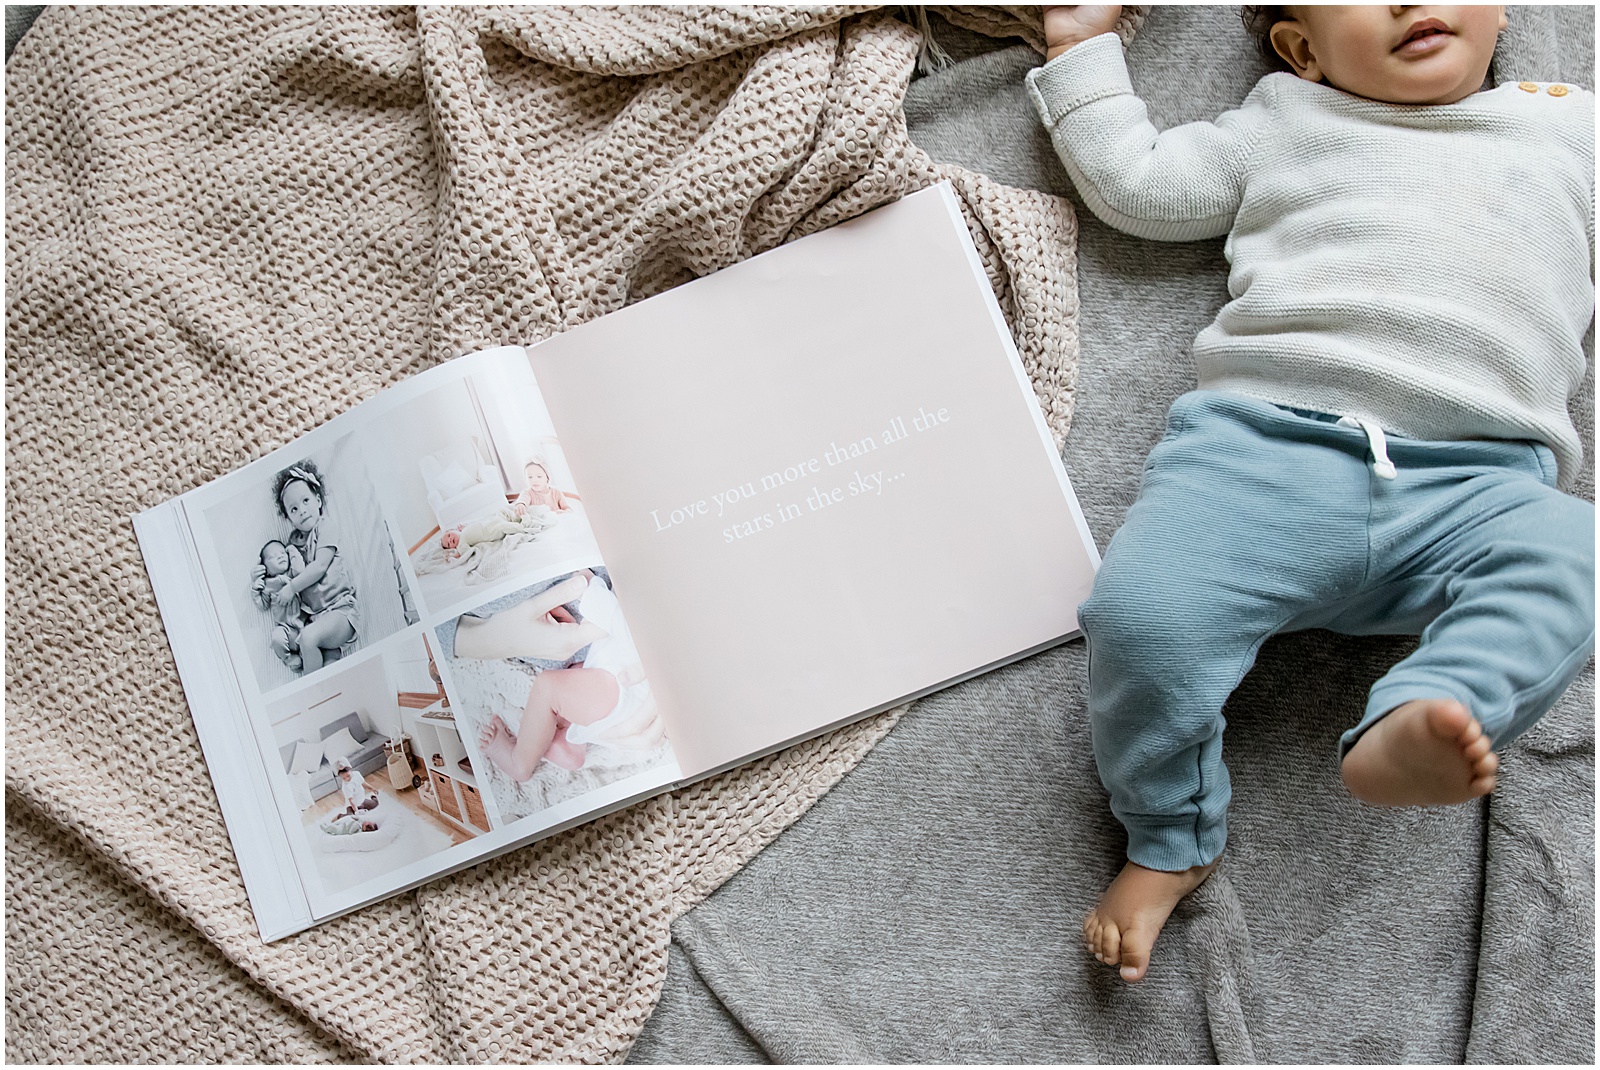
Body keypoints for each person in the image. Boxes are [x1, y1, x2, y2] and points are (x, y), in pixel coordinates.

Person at [1031, 5, 1595, 984]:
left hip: (1474, 485)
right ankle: (1170, 833)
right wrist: (1079, 50)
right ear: (1301, 50)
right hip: (1261, 462)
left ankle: (1424, 709)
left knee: (1575, 552)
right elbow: (1138, 182)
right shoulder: (1279, 122)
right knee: (1138, 614)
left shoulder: (1567, 125)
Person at [259, 461, 361, 673]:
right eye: (294, 509)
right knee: (328, 664)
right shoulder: (293, 543)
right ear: (288, 518)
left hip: (340, 611)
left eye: (305, 501)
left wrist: (292, 588)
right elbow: (282, 574)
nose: (302, 511)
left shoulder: (326, 526)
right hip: (315, 620)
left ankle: (309, 684)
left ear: (318, 500)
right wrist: (262, 578)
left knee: (308, 637)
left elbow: (319, 567)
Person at [252, 540, 309, 671]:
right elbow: (262, 605)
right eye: (273, 556)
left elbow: (301, 570)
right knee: (276, 638)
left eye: (283, 553)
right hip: (287, 630)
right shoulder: (268, 584)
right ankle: (289, 659)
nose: (280, 556)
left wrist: (292, 549)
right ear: (265, 568)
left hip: (306, 623)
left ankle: (308, 655)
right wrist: (255, 591)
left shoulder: (293, 575)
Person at [512, 458, 579, 516]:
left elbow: (567, 508)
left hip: (557, 521)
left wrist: (564, 512)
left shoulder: (556, 492)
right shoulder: (528, 493)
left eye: (539, 476)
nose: (534, 480)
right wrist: (520, 505)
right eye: (530, 477)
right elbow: (523, 500)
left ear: (547, 477)